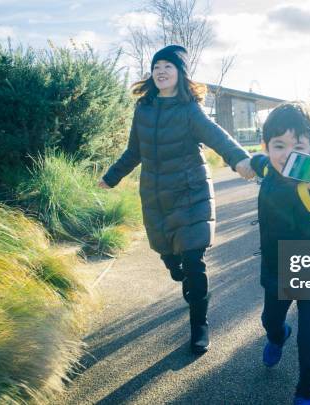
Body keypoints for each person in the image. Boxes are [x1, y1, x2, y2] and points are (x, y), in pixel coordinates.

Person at [98, 45, 254, 354]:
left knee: (194, 262)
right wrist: (111, 176)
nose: (161, 70)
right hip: (155, 195)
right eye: (157, 66)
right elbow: (134, 151)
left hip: (190, 193)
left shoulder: (189, 110)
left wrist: (241, 161)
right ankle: (179, 271)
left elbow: (217, 136)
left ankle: (199, 325)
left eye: (168, 66)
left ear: (180, 74)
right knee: (171, 260)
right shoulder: (143, 109)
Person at [249, 102, 310, 405]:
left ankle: (306, 392)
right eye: (279, 145)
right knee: (270, 321)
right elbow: (257, 161)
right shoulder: (268, 168)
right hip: (278, 269)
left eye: (299, 145)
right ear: (267, 146)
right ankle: (278, 336)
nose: (288, 154)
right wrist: (244, 161)